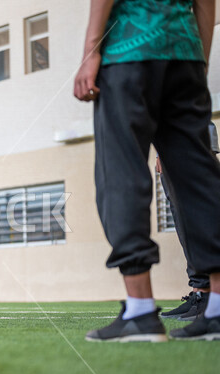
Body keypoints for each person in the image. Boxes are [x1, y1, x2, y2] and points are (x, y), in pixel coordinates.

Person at [74, 0, 220, 342]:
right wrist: (199, 62)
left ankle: (139, 310)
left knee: (121, 171)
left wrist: (91, 50)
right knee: (200, 176)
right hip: (186, 53)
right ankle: (216, 310)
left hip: (128, 51)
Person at [158, 123, 218, 321]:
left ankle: (210, 294)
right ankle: (201, 291)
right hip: (171, 140)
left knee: (198, 213)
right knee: (183, 217)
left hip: (189, 139)